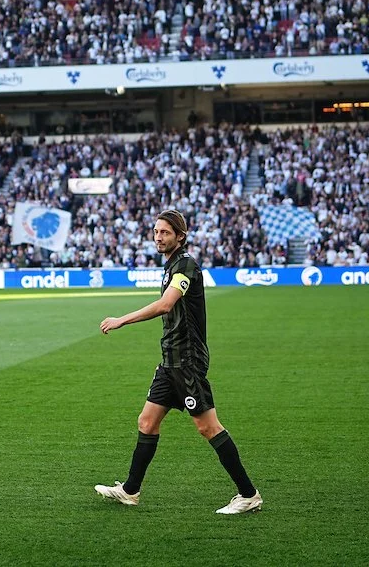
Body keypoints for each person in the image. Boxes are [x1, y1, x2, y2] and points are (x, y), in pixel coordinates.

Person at [93, 209, 263, 514]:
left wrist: (122, 320)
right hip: (170, 359)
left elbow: (166, 304)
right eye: (156, 232)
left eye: (165, 233)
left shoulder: (185, 264)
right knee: (147, 422)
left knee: (208, 427)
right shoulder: (172, 265)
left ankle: (248, 494)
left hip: (187, 360)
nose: (158, 237)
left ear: (180, 237)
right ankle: (130, 491)